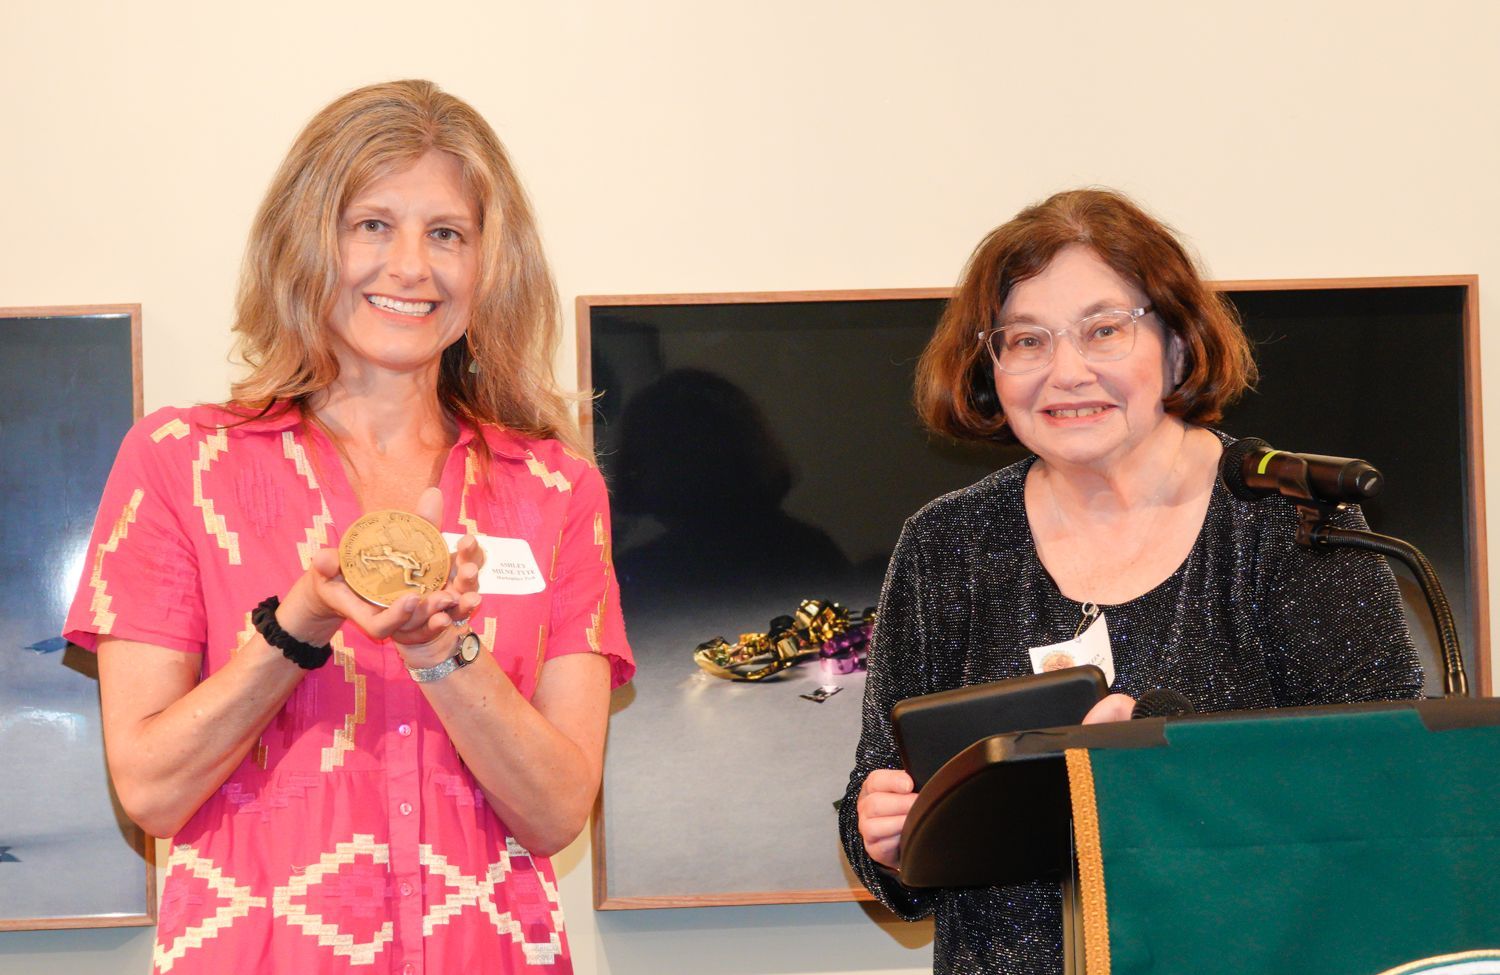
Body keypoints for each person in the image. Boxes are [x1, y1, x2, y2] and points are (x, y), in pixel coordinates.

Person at [63, 80, 632, 974]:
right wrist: (295, 627)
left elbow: (560, 809)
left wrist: (447, 653)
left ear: (490, 266)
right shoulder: (178, 459)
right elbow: (151, 788)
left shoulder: (556, 488)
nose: (410, 266)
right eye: (372, 224)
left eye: (446, 233)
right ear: (305, 242)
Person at [838, 188, 1423, 975]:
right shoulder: (948, 543)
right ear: (991, 365)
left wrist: (1159, 746)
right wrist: (880, 830)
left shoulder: (1290, 523)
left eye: (1104, 330)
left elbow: (1384, 793)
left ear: (1177, 342)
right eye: (1026, 339)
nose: (1066, 371)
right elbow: (884, 801)